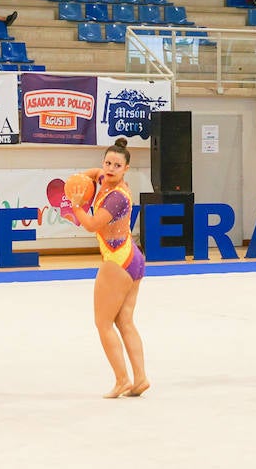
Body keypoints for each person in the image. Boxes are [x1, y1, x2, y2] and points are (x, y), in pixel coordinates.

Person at [67, 137, 149, 399]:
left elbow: (91, 225)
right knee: (124, 321)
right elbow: (89, 175)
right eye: (107, 163)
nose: (110, 168)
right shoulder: (104, 177)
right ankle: (141, 378)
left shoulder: (116, 197)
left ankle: (122, 379)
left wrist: (76, 205)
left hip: (117, 259)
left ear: (126, 170)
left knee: (103, 323)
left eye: (117, 165)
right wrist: (80, 179)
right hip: (133, 256)